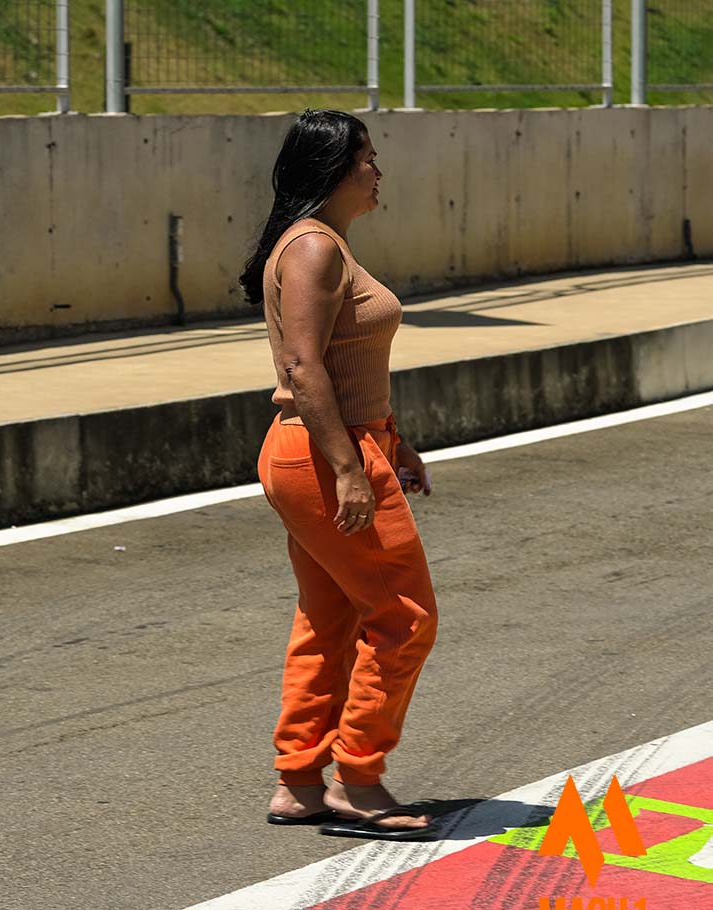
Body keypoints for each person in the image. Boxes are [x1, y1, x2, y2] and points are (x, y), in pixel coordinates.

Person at [239, 108, 439, 840]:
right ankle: (358, 778)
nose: (377, 171)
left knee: (331, 619)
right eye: (367, 158)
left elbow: (347, 366)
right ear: (332, 168)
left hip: (341, 445)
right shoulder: (314, 248)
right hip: (326, 454)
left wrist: (394, 440)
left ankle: (300, 781)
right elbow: (302, 367)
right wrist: (350, 469)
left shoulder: (321, 243)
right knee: (404, 617)